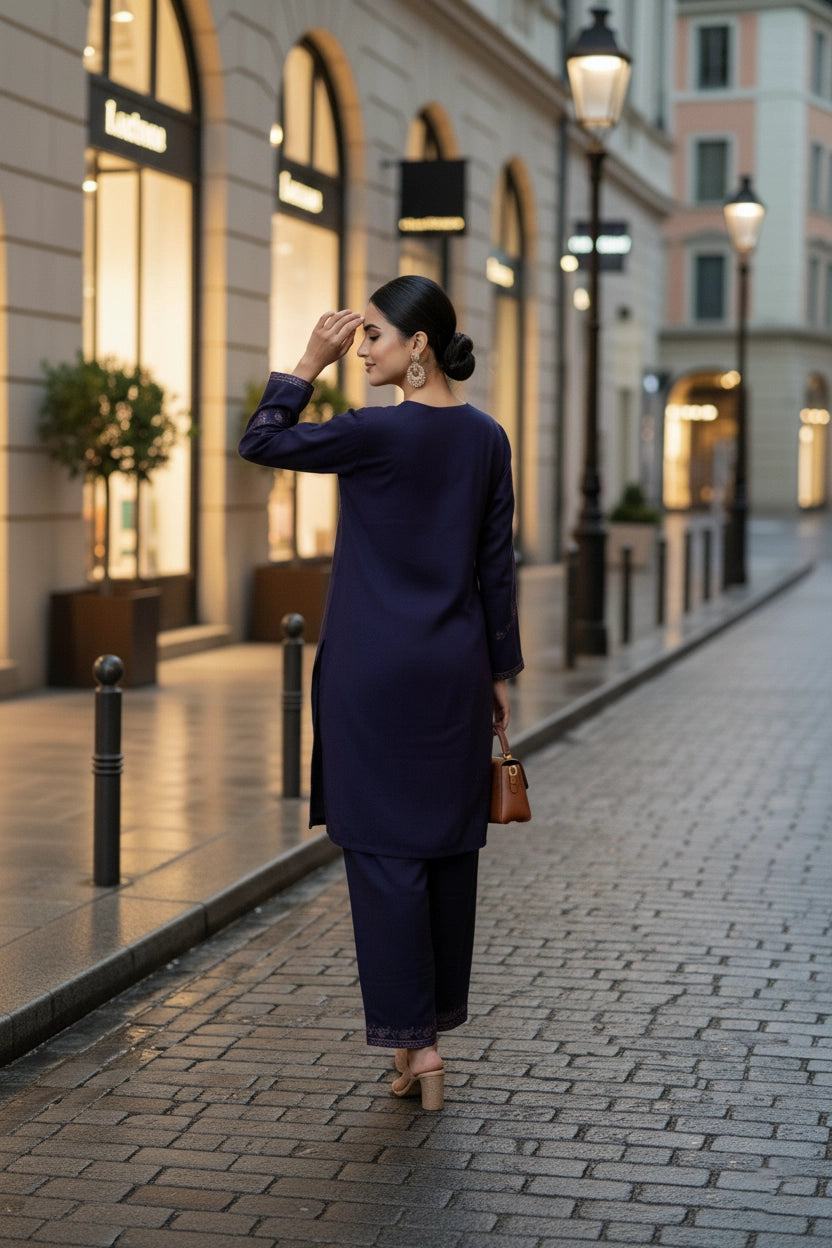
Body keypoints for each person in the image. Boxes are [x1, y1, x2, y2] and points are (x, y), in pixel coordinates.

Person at [239, 275, 523, 1111]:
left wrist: (306, 362)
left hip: (372, 673)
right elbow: (495, 569)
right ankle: (423, 1041)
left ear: (417, 348)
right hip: (453, 674)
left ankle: (418, 1047)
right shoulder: (487, 440)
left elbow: (262, 441)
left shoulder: (371, 435)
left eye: (370, 337)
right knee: (442, 851)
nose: (359, 349)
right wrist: (498, 672)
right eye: (354, 339)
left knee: (384, 859)